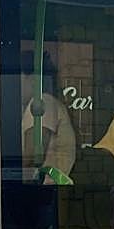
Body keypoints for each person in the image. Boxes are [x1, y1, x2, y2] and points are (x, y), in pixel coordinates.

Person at [22, 53, 77, 182]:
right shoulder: (51, 102)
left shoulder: (42, 102)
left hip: (47, 189)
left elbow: (32, 155)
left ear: (33, 80)